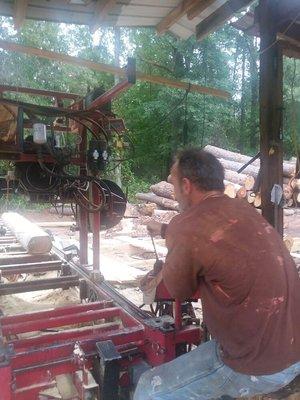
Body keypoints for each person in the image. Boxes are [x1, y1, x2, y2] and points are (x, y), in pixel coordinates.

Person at [134, 148, 300, 400]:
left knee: (148, 389)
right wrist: (166, 230)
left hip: (255, 366)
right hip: (292, 352)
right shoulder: (243, 211)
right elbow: (213, 241)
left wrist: (162, 267)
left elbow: (178, 290)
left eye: (173, 182)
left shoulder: (188, 225)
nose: (174, 190)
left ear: (186, 185)